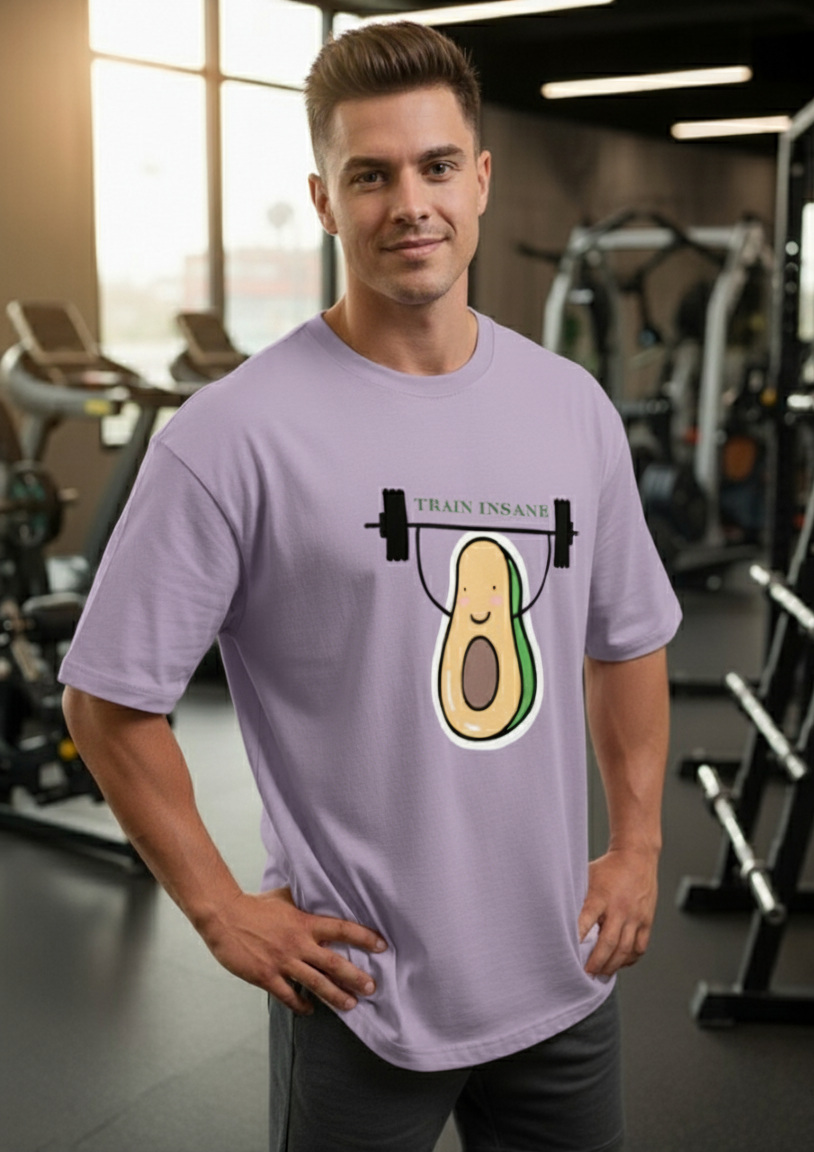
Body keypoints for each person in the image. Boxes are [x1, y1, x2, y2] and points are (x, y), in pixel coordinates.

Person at [61, 20, 681, 1152]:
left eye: (437, 166)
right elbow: (107, 699)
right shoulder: (231, 435)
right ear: (323, 198)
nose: (411, 202)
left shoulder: (571, 410)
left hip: (562, 973)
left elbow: (627, 637)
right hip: (361, 995)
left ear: (480, 179)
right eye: (371, 174)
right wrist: (218, 907)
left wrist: (636, 849)